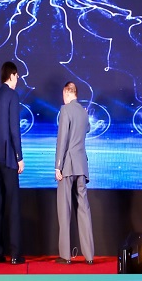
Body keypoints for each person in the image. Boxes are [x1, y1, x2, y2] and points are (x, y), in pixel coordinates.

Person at [54, 82, 95, 265]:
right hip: (81, 166)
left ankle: (65, 255)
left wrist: (58, 165)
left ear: (66, 92)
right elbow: (87, 129)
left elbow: (62, 139)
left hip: (68, 165)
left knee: (64, 208)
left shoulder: (65, 110)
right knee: (84, 208)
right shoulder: (84, 112)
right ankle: (89, 255)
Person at [0, 61, 25, 265]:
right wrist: (19, 157)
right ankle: (15, 254)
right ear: (11, 75)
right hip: (10, 157)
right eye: (17, 76)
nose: (18, 79)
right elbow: (14, 129)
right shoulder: (13, 95)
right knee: (13, 205)